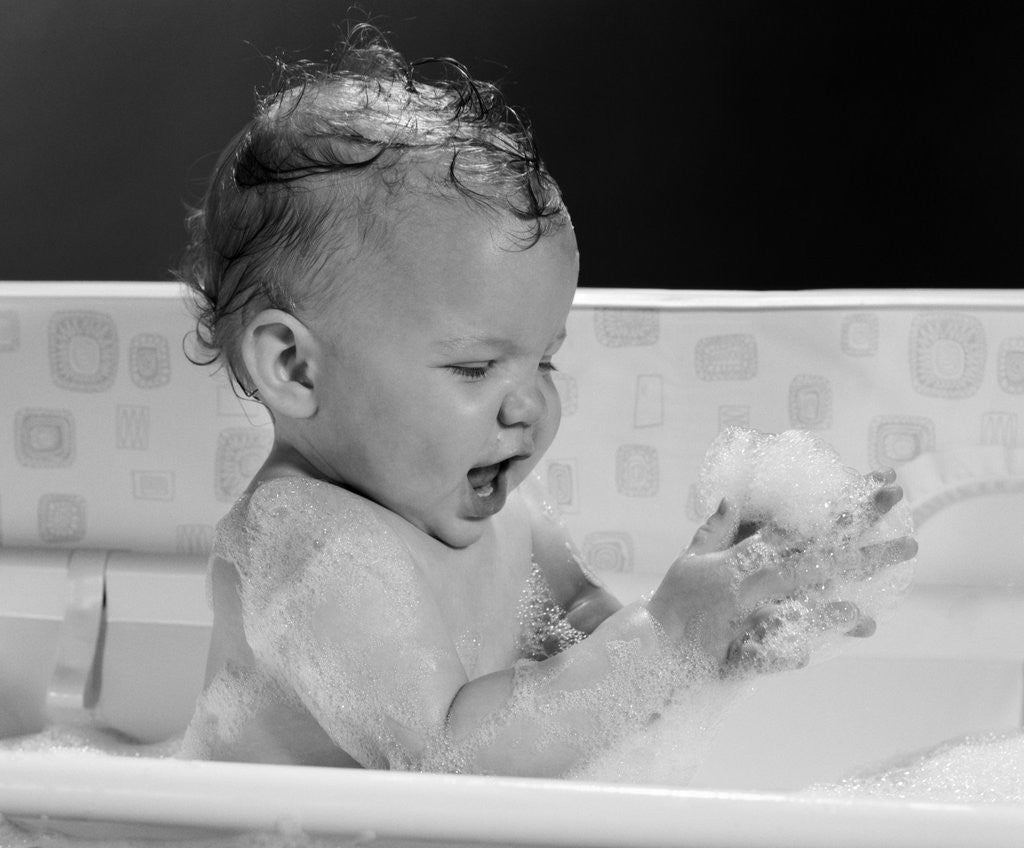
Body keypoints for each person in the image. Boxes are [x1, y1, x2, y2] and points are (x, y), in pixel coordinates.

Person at [177, 27, 916, 778]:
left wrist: (709, 627)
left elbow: (582, 648)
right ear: (296, 368)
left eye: (546, 359)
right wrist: (666, 636)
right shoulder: (309, 543)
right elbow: (444, 756)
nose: (527, 405)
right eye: (474, 367)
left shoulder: (502, 513)